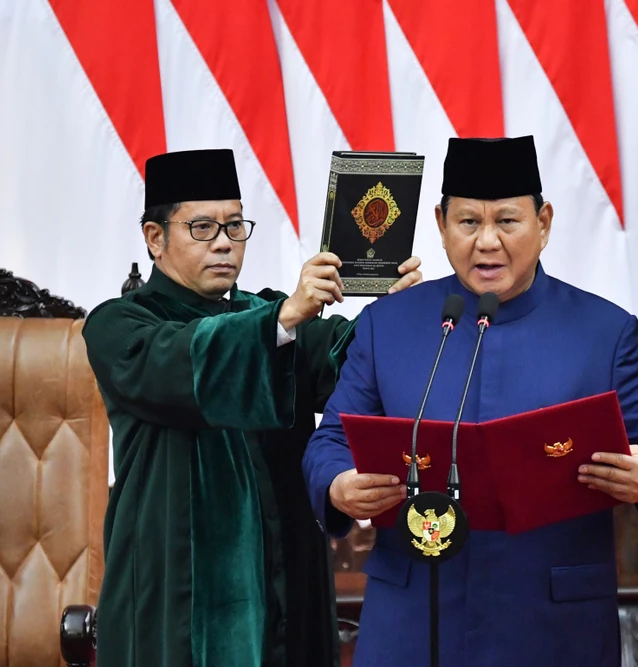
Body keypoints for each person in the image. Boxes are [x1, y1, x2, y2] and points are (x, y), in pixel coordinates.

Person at [303, 136, 638, 667]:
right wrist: (338, 485)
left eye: (507, 221)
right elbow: (330, 441)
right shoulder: (387, 324)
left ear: (544, 223)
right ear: (442, 224)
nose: (487, 242)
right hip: (414, 618)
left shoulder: (603, 332)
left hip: (550, 622)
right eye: (468, 223)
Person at [81, 148, 423, 667]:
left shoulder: (265, 314)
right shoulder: (119, 326)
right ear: (155, 237)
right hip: (179, 592)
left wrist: (393, 318)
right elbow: (187, 363)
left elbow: (351, 369)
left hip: (284, 576)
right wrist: (285, 318)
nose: (223, 242)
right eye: (202, 228)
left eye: (235, 226)